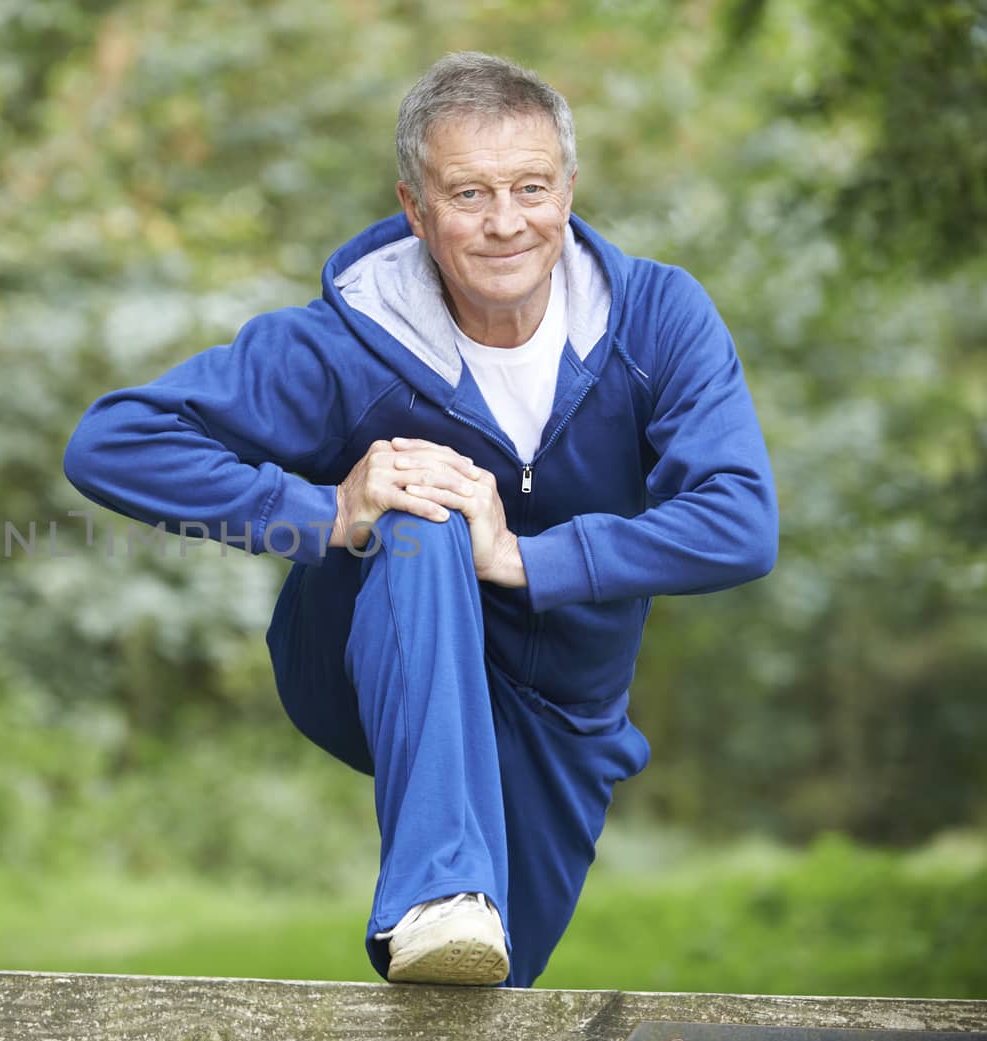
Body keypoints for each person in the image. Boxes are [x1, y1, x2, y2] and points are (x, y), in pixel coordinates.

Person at [62, 51, 777, 987]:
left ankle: (453, 912)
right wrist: (322, 512)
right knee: (422, 497)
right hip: (366, 659)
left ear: (569, 188)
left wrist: (523, 557)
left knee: (482, 994)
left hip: (560, 707)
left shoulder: (658, 320)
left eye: (530, 186)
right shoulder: (345, 343)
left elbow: (738, 522)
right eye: (469, 193)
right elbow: (114, 441)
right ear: (415, 208)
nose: (506, 221)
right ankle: (437, 886)